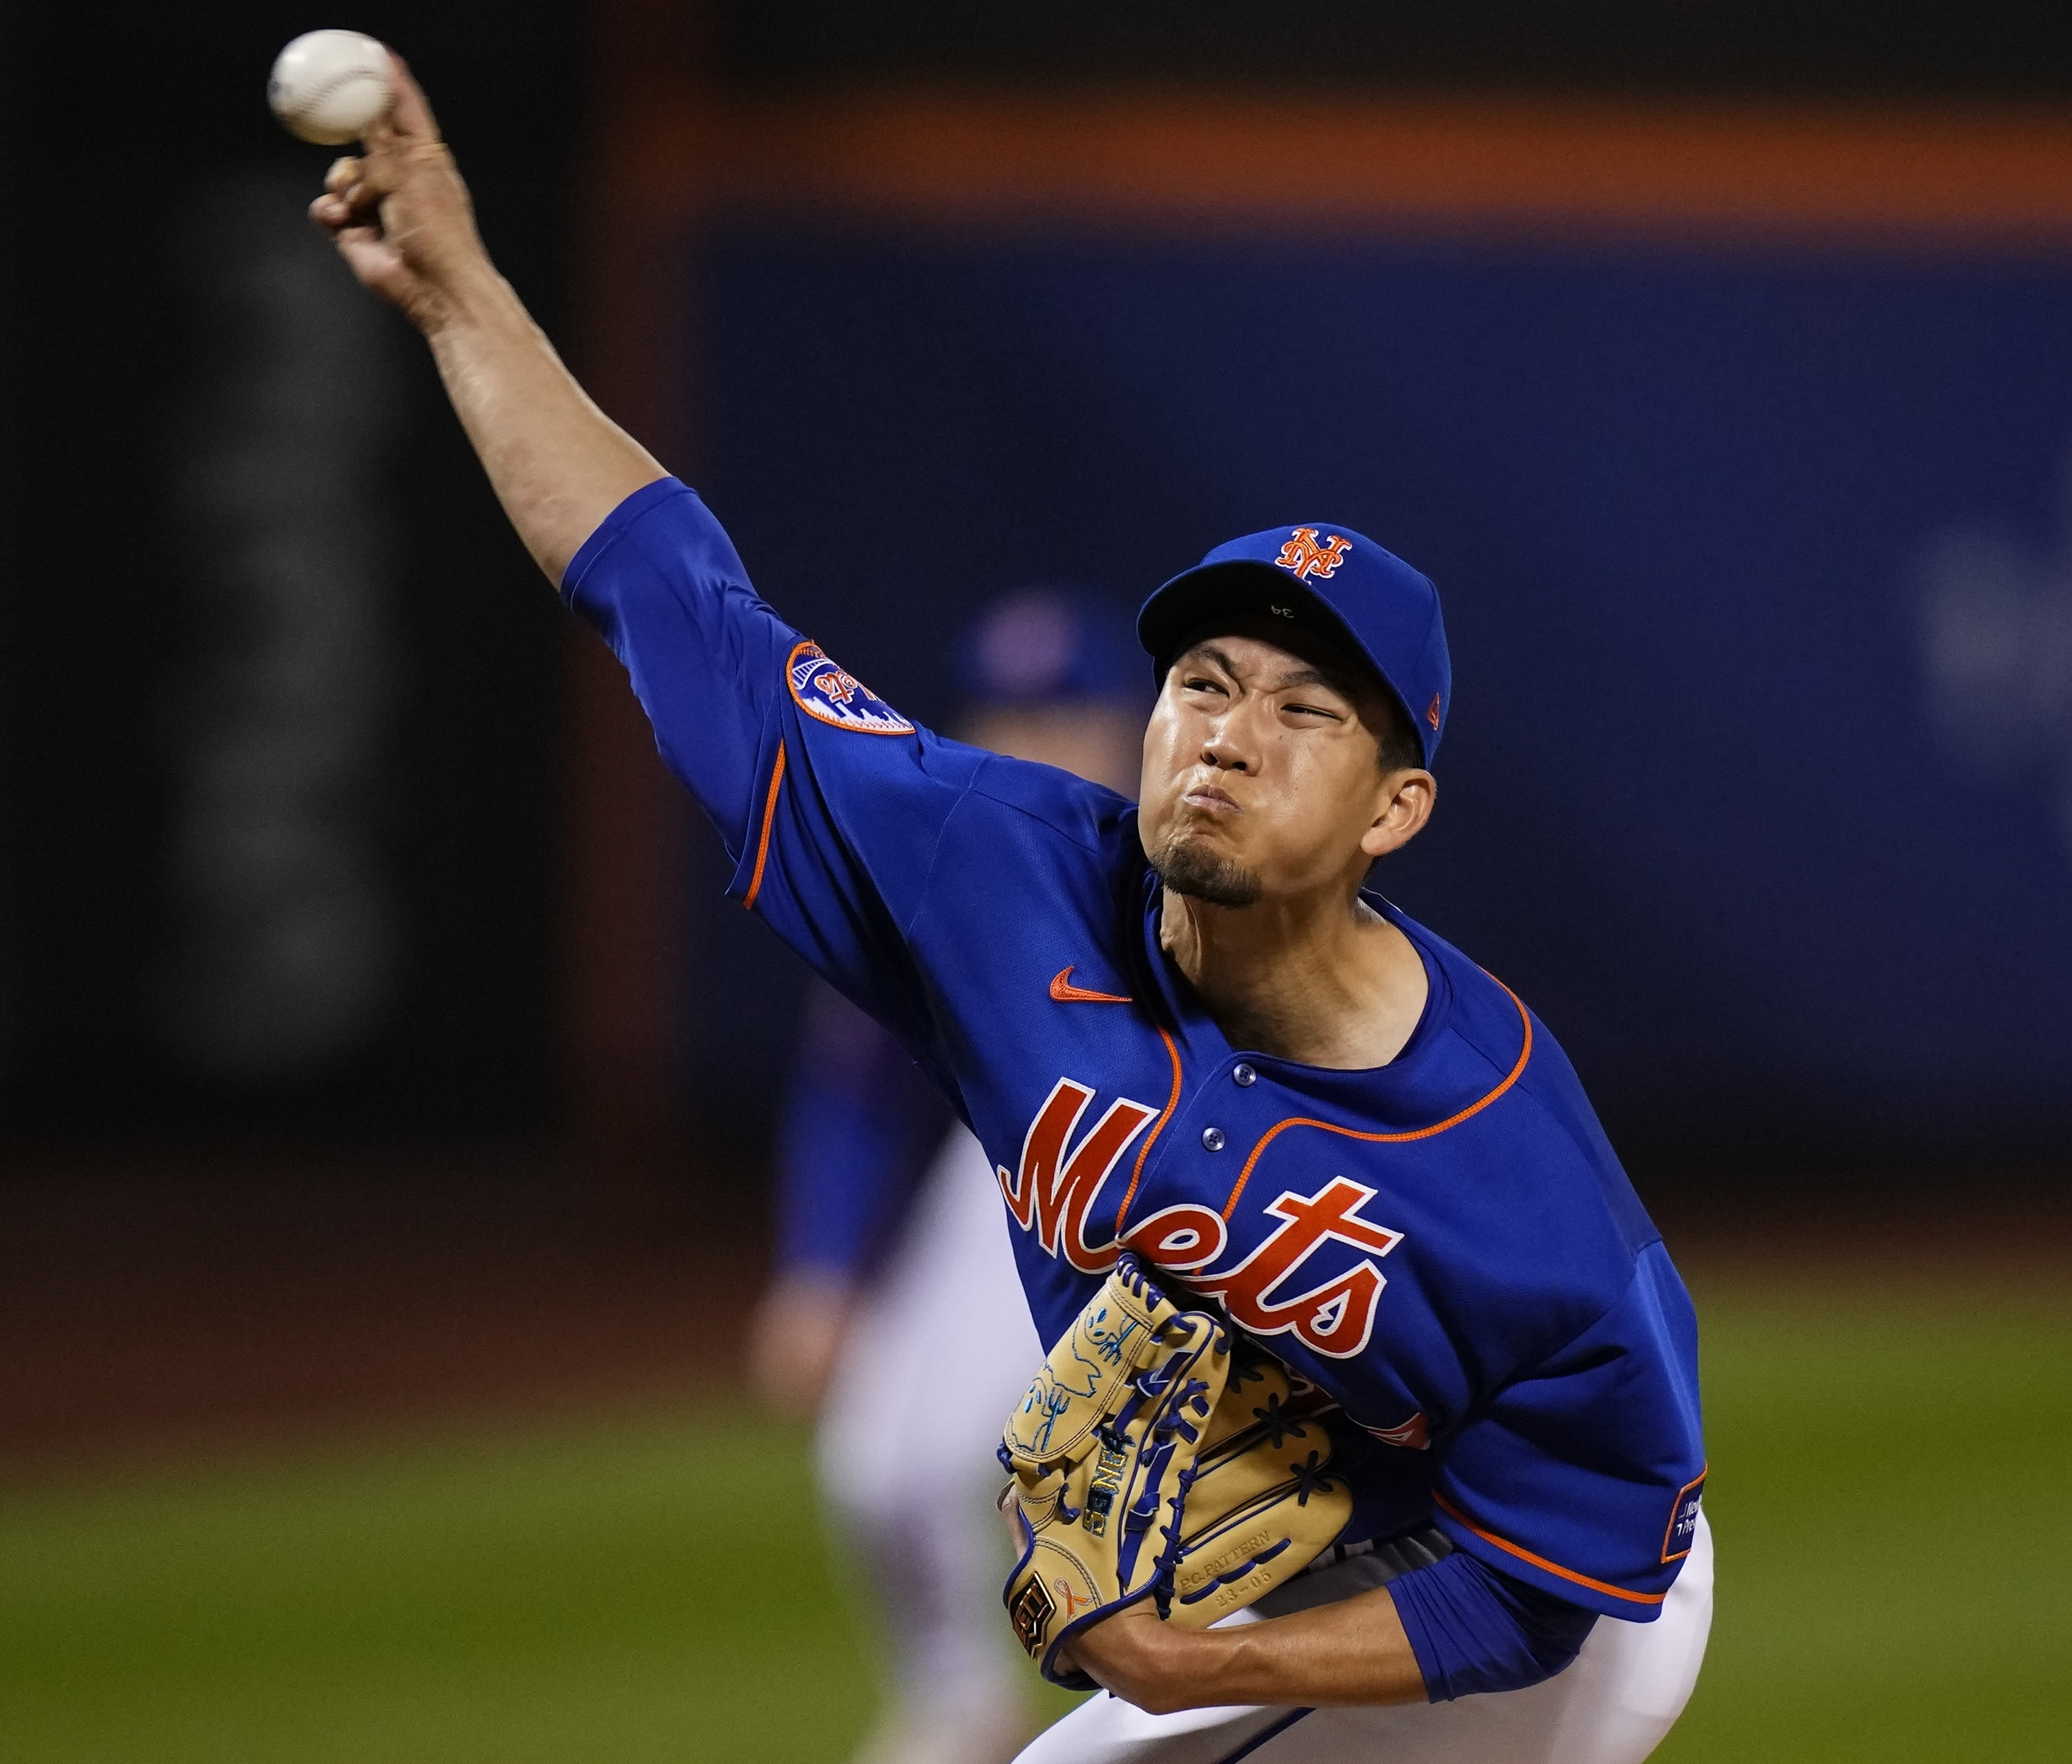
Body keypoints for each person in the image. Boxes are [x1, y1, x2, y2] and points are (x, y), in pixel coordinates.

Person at [312, 60, 1711, 1764]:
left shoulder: (1522, 1191)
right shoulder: (990, 862)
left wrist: (1184, 1666)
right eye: (1204, 677)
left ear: (1396, 809)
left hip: (1526, 1607)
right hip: (1283, 1596)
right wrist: (462, 291)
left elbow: (1546, 1582)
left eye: (1307, 711)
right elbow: (669, 595)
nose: (1229, 734)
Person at [748, 592, 1146, 1764]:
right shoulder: (940, 877)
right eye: (1009, 713)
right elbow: (858, 1088)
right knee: (876, 1466)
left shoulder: (1177, 869)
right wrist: (820, 1267)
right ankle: (964, 1701)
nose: (1034, 739)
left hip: (1174, 1184)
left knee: (1019, 1467)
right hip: (1010, 1171)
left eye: (1062, 712)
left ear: (1123, 727)